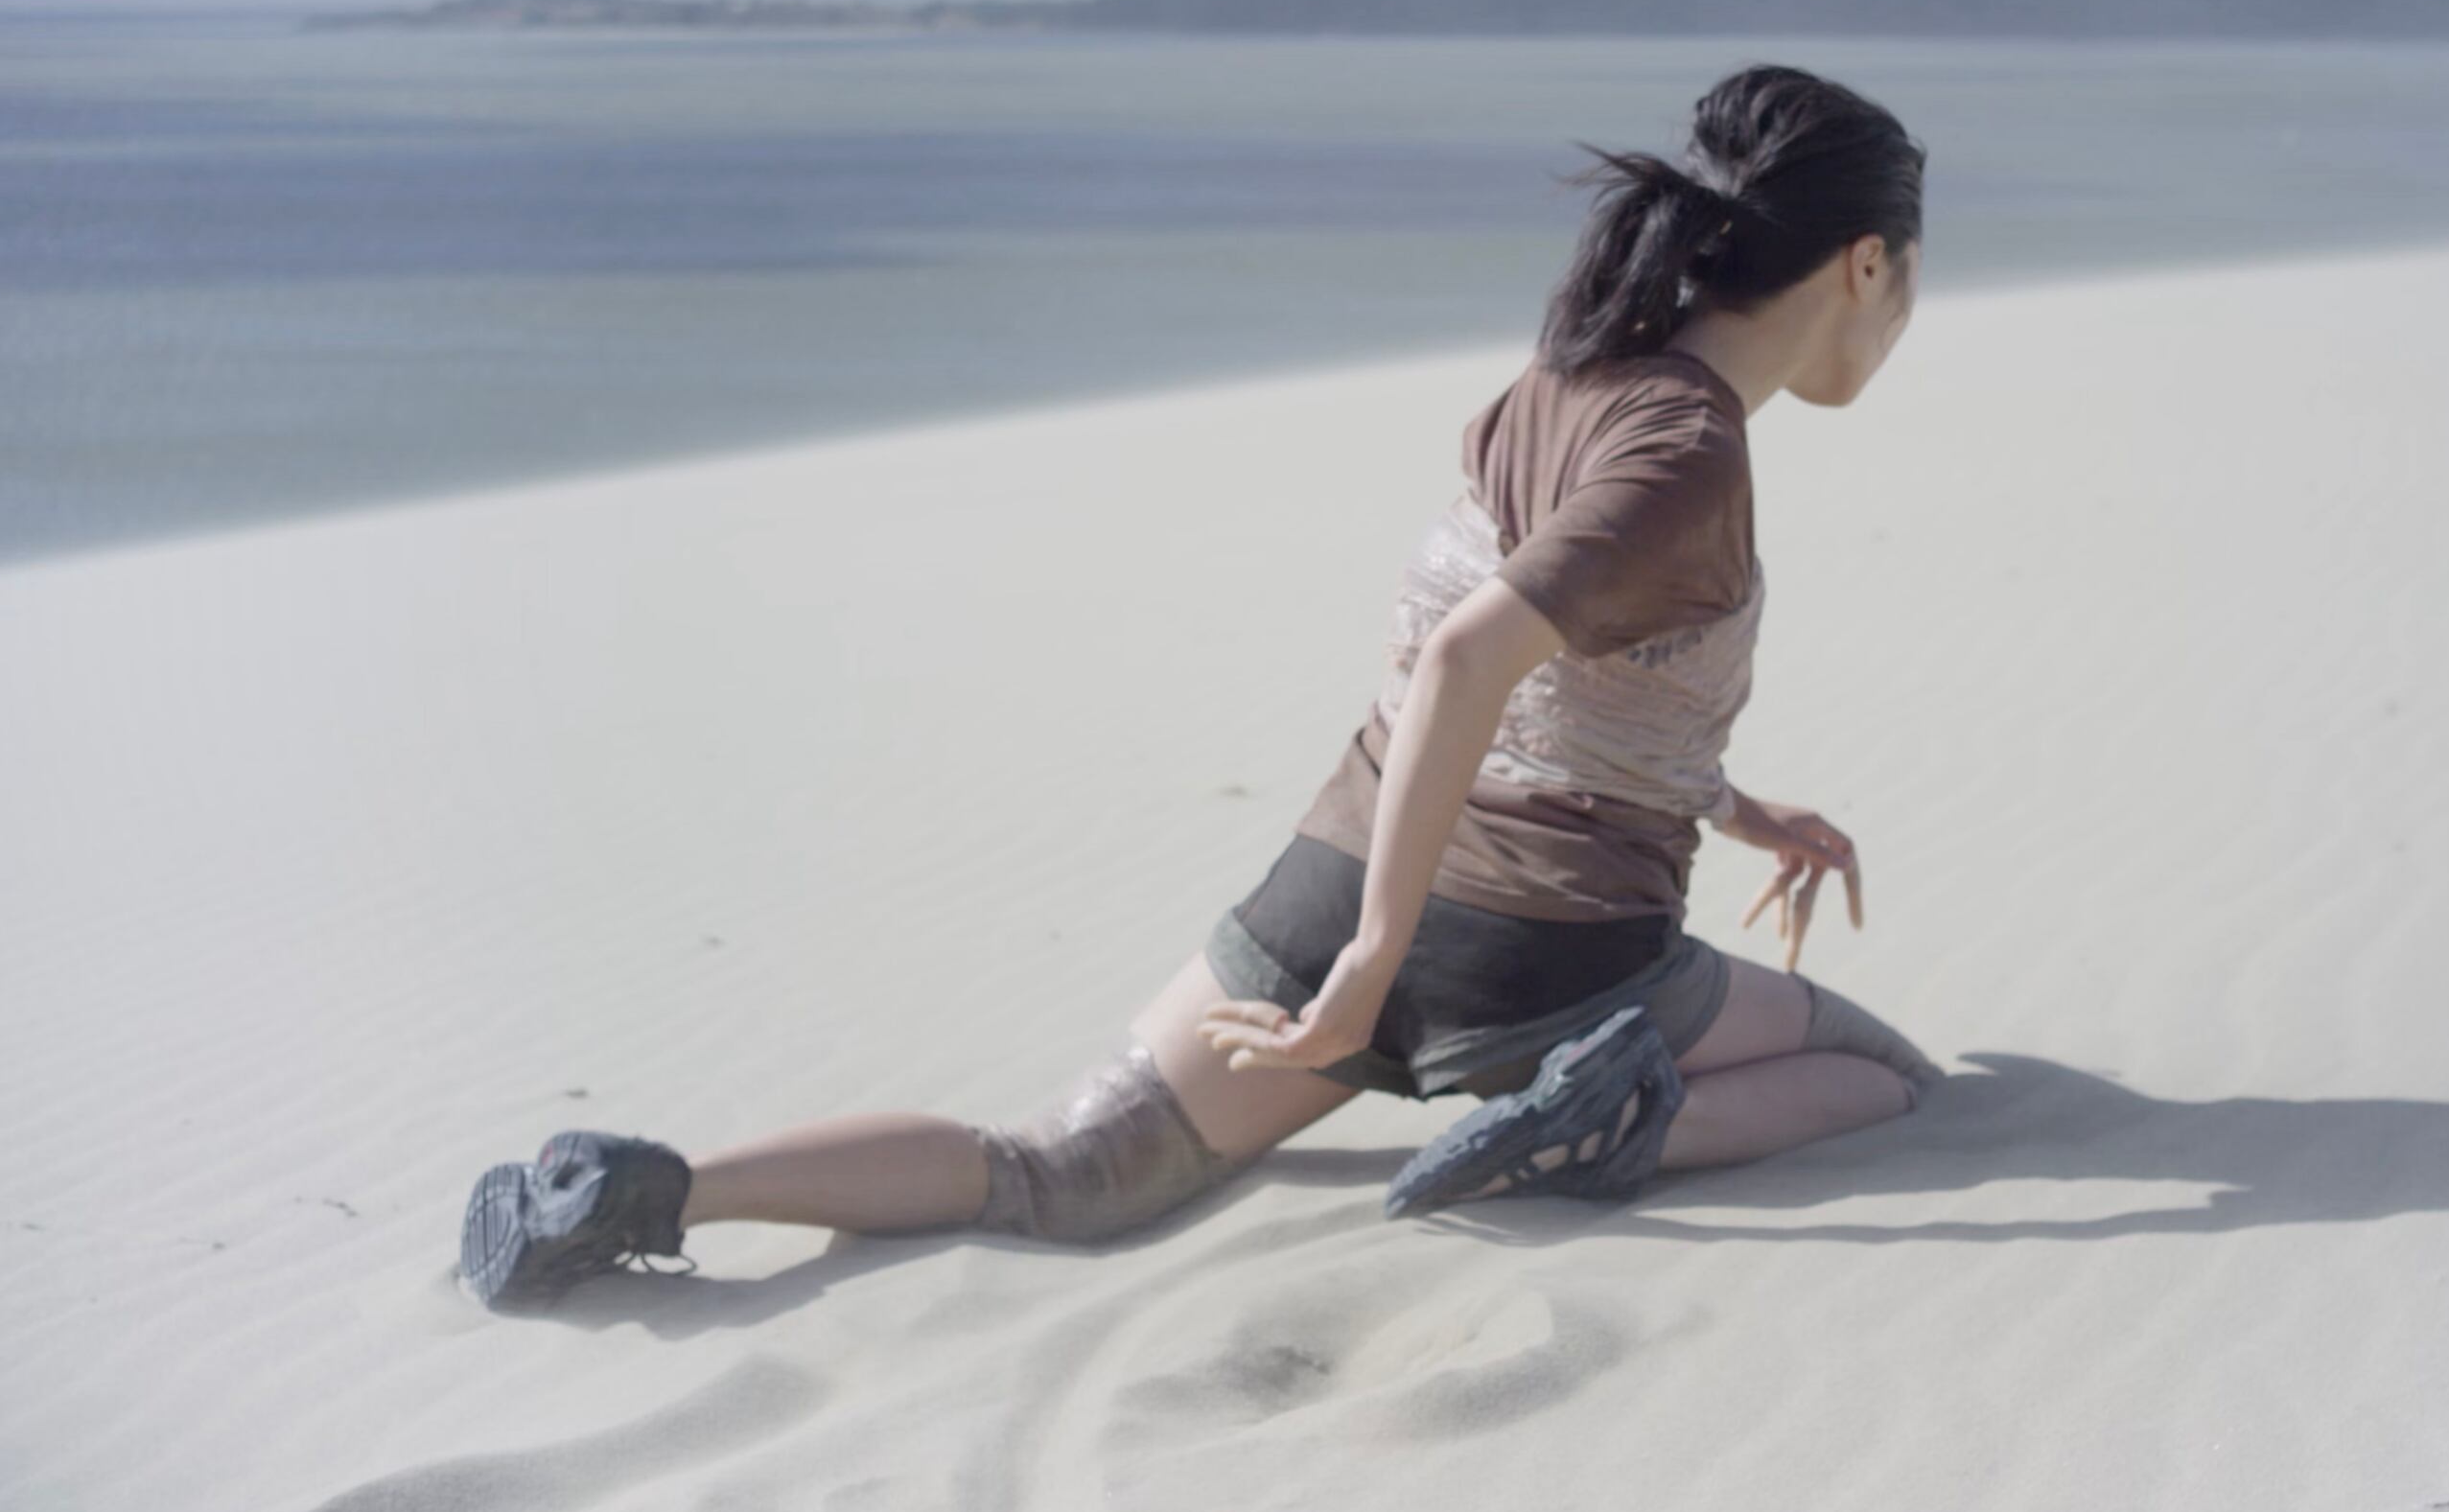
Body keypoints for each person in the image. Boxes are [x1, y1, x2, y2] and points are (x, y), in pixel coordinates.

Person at [459, 63, 1948, 1314]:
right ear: (1865, 263)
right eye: (1914, 278)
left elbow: (1564, 681)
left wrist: (1733, 807)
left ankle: (649, 1190)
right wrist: (1376, 969)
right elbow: (1469, 657)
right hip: (1544, 957)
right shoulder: (1693, 449)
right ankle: (1600, 1121)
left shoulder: (1567, 379)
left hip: (1332, 878)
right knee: (1880, 1072)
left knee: (1051, 1169)